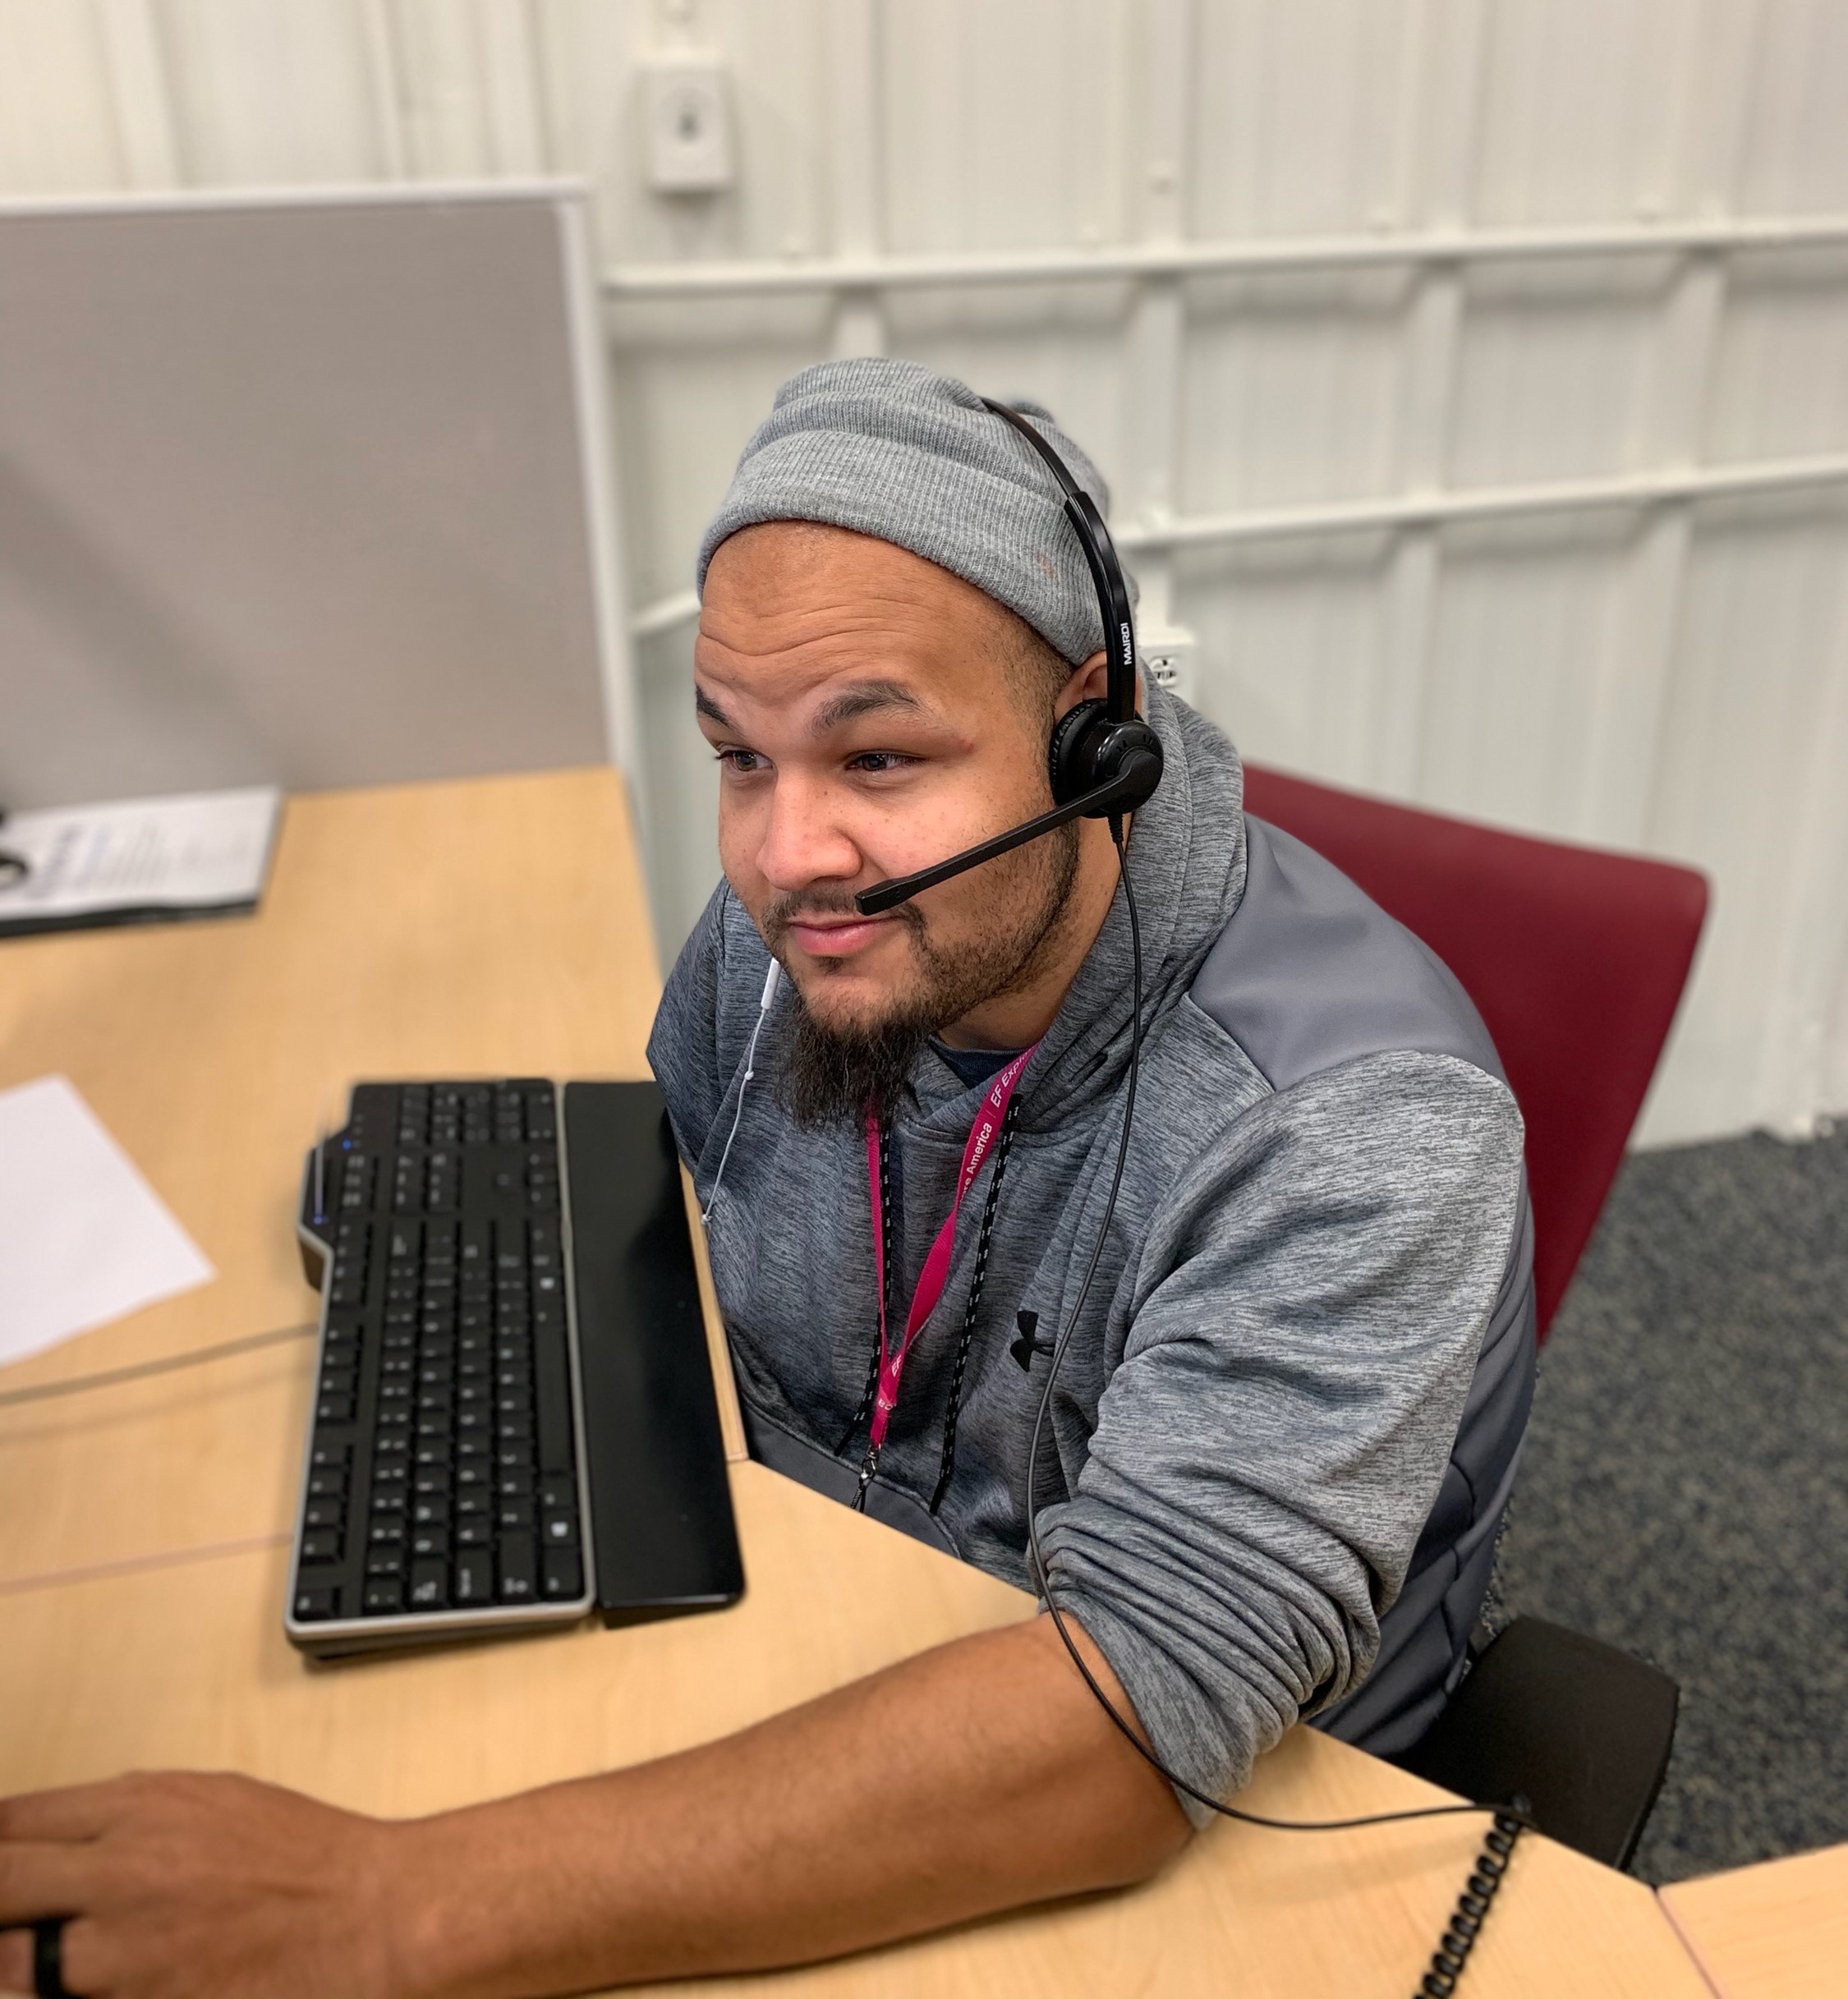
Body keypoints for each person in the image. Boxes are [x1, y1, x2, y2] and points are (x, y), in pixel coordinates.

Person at [0, 360, 1533, 1998]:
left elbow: (1130, 1714)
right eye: (740, 756)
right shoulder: (806, 932)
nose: (783, 853)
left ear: (1097, 731)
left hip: (1214, 1834)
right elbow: (656, 1241)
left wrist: (387, 1902)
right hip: (827, 1629)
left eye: (877, 760)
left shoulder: (1361, 1123)